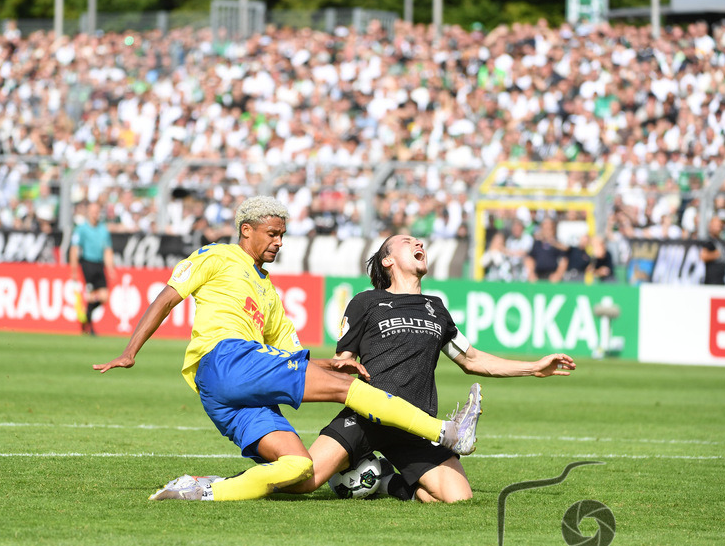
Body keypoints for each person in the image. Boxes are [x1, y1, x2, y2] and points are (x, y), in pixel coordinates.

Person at [92, 197, 481, 501]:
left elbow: (290, 353)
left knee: (298, 468)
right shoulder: (217, 256)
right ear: (246, 230)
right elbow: (167, 297)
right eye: (272, 234)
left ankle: (204, 488)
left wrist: (328, 363)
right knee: (350, 392)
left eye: (282, 235)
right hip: (226, 358)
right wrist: (131, 351)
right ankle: (446, 432)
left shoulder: (269, 294)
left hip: (225, 394)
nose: (278, 242)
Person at [281, 235, 576, 503]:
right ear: (388, 260)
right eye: (408, 242)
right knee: (303, 482)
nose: (419, 243)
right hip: (367, 415)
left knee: (457, 498)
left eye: (420, 241)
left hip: (418, 424)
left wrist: (534, 367)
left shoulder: (435, 307)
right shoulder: (366, 302)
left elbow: (471, 359)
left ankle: (384, 481)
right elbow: (341, 362)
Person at [69, 201, 116, 335]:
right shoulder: (81, 229)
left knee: (104, 296)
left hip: (99, 264)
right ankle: (90, 327)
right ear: (88, 212)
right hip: (87, 263)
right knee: (91, 295)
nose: (95, 214)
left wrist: (111, 268)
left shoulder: (103, 229)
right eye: (93, 211)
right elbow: (74, 249)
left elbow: (107, 250)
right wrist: (73, 270)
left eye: (97, 211)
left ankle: (87, 316)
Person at [700, 216, 725, 286]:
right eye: (717, 225)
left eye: (720, 225)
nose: (719, 227)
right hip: (711, 282)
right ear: (710, 226)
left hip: (721, 281)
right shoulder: (708, 241)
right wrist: (715, 255)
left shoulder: (721, 241)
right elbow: (703, 256)